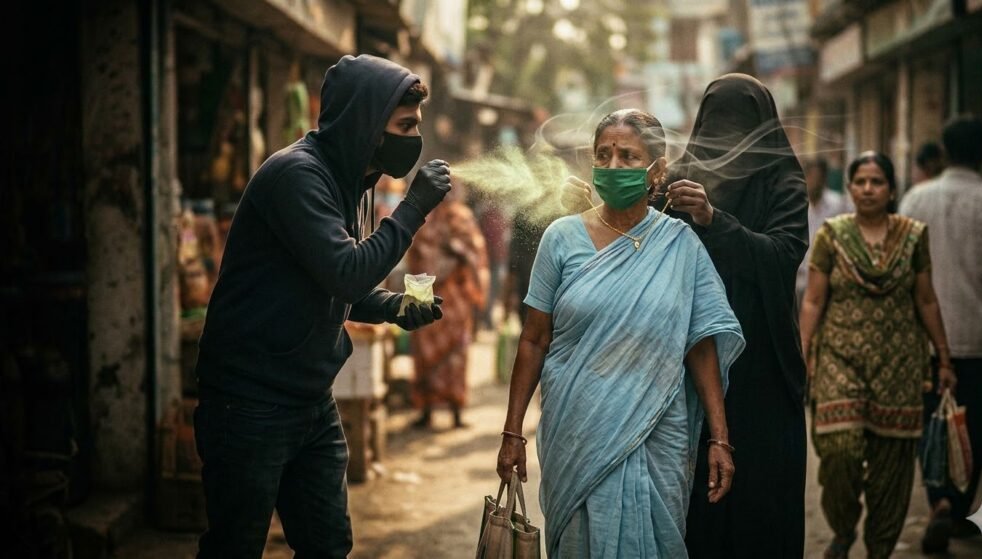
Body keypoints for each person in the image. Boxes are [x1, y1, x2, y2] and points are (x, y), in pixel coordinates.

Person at [193, 54, 452, 558]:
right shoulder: (298, 177)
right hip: (250, 403)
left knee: (328, 545)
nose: (413, 139)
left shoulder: (353, 179)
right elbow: (346, 271)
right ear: (367, 124)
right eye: (404, 126)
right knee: (235, 546)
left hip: (310, 399)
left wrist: (394, 307)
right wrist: (414, 208)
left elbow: (338, 286)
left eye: (416, 126)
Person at [496, 109, 745, 557]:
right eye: (603, 155)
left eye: (628, 156)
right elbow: (534, 339)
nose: (612, 167)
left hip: (657, 433)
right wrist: (512, 431)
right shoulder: (560, 238)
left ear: (658, 170)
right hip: (576, 430)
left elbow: (702, 346)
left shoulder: (680, 245)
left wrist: (720, 439)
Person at [661, 73, 809, 558]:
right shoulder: (677, 179)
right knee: (696, 506)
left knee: (762, 504)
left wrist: (713, 220)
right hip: (690, 363)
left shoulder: (783, 181)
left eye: (738, 126)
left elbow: (785, 253)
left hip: (762, 365)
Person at [800, 151, 956, 559]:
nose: (868, 189)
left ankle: (880, 547)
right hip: (839, 360)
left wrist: (943, 357)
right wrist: (803, 354)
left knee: (892, 468)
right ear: (849, 188)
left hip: (899, 366)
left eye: (877, 182)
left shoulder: (913, 235)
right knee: (839, 451)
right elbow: (814, 301)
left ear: (891, 189)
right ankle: (843, 525)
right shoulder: (831, 235)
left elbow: (925, 300)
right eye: (860, 181)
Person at [900, 115, 982, 553]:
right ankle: (959, 504)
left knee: (931, 421)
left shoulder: (915, 198)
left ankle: (939, 504)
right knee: (968, 424)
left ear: (946, 152)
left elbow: (902, 268)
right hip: (976, 337)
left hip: (925, 338)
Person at [408, 198, 489, 428]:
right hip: (427, 296)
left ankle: (456, 412)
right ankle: (426, 411)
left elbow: (475, 253)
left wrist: (459, 253)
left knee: (457, 356)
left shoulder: (462, 218)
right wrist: (440, 260)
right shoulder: (422, 217)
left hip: (456, 300)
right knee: (424, 354)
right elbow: (416, 253)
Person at [797, 156, 851, 303]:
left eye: (818, 177)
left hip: (828, 275)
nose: (814, 182)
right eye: (811, 176)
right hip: (800, 277)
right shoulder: (796, 203)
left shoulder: (838, 204)